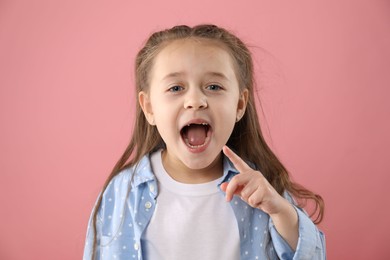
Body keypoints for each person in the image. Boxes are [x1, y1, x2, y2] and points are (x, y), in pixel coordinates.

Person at [83, 24, 326, 260]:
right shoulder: (123, 191)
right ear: (149, 108)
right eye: (176, 87)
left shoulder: (262, 190)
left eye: (214, 86)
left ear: (240, 104)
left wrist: (282, 213)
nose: (196, 100)